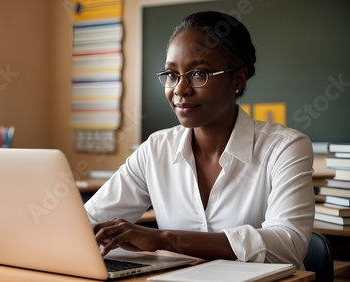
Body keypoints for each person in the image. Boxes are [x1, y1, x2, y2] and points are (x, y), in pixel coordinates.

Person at [84, 11, 315, 270]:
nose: (180, 89)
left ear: (238, 79)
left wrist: (165, 239)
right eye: (172, 74)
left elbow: (289, 244)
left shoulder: (285, 147)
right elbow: (88, 222)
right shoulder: (155, 149)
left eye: (198, 74)